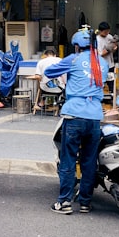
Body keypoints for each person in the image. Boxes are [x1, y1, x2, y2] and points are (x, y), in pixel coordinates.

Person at [45, 27, 109, 214]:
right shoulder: (102, 63)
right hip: (95, 118)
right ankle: (85, 203)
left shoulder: (73, 59)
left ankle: (64, 202)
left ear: (78, 46)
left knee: (69, 160)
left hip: (74, 116)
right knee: (89, 162)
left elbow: (49, 72)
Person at [96, 21, 119, 93]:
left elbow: (113, 49)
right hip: (101, 65)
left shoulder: (109, 36)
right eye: (105, 31)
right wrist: (108, 50)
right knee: (101, 82)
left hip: (110, 64)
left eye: (108, 31)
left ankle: (112, 95)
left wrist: (115, 47)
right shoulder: (97, 40)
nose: (107, 33)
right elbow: (99, 54)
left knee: (111, 81)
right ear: (100, 31)